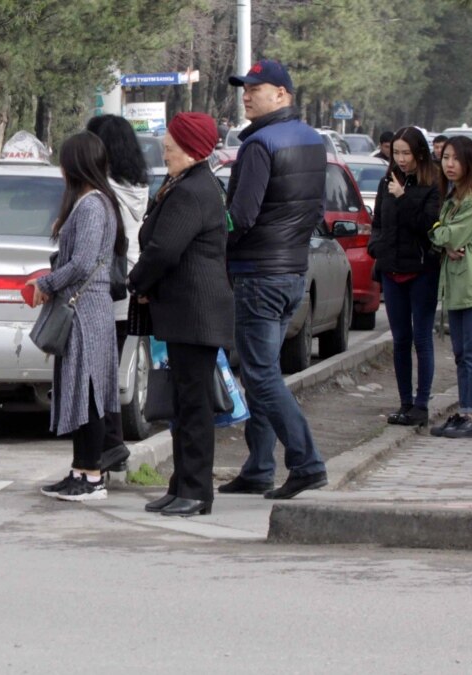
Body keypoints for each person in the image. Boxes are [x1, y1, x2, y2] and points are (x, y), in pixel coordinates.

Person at [219, 58, 329, 500]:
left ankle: (306, 462)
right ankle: (259, 467)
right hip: (292, 271)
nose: (246, 94)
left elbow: (241, 216)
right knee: (262, 369)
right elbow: (314, 211)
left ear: (282, 94)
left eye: (256, 88)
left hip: (258, 273)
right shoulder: (312, 140)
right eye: (244, 88)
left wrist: (212, 233)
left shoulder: (259, 145)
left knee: (261, 374)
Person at [127, 113, 233, 517]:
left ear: (190, 148)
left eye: (170, 144)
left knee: (193, 406)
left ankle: (196, 490)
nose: (165, 149)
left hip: (195, 312)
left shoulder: (191, 190)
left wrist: (136, 281)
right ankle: (181, 485)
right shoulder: (185, 183)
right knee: (184, 404)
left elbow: (164, 250)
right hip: (185, 312)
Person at [31, 132, 127, 501]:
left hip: (85, 310)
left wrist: (47, 282)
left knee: (86, 392)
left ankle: (90, 477)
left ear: (75, 164)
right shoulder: (97, 202)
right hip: (89, 307)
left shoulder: (90, 206)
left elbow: (84, 262)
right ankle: (81, 470)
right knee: (81, 389)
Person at [86, 114, 149, 473]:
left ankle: (110, 445)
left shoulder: (102, 191)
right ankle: (112, 444)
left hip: (106, 288)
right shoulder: (137, 185)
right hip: (128, 285)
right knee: (110, 371)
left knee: (99, 374)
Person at [367, 126, 443, 427]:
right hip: (391, 268)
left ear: (419, 153)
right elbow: (378, 220)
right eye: (396, 152)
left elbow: (429, 225)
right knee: (400, 340)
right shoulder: (388, 180)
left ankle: (422, 404)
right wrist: (376, 246)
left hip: (421, 270)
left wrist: (403, 197)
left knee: (421, 338)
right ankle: (404, 402)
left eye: (406, 153)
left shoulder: (432, 182)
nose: (400, 159)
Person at [428, 135, 472, 439]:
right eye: (445, 158)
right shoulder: (454, 197)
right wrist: (441, 237)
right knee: (461, 354)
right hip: (459, 287)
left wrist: (441, 237)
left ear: (469, 162)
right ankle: (466, 410)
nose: (449, 164)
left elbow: (450, 237)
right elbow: (439, 235)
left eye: (456, 158)